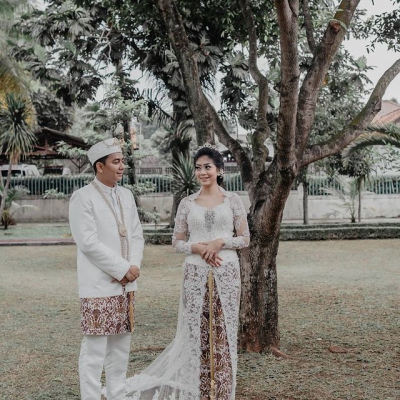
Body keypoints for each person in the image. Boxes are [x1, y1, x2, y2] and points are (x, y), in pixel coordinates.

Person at [125, 143, 250, 400]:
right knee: (197, 332)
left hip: (226, 272)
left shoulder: (233, 200)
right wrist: (198, 248)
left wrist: (220, 242)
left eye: (207, 167)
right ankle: (199, 390)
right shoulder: (187, 203)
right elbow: (177, 242)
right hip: (195, 273)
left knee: (224, 330)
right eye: (198, 168)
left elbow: (245, 238)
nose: (202, 172)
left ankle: (223, 391)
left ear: (219, 170)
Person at [69, 137, 144, 400]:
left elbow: (136, 235)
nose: (122, 166)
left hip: (126, 285)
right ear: (99, 166)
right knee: (94, 352)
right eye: (116, 162)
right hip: (98, 285)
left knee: (121, 348)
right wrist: (122, 268)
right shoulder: (82, 197)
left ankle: (117, 395)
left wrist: (133, 267)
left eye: (122, 161)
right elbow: (87, 243)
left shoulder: (126, 195)